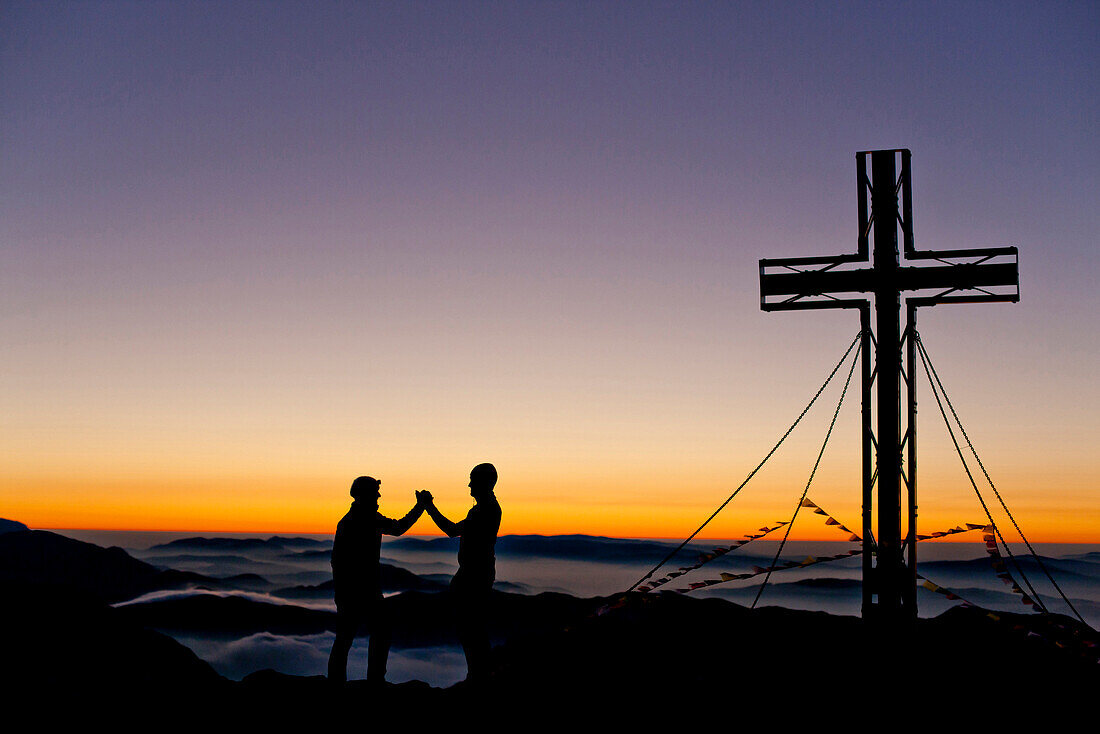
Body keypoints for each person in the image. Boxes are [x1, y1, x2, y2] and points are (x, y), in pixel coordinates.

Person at [327, 475, 426, 684]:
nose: (379, 496)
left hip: (349, 590)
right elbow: (398, 528)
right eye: (375, 492)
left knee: (346, 638)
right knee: (378, 632)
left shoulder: (352, 519)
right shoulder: (367, 518)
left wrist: (341, 590)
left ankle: (337, 682)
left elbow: (336, 560)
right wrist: (420, 507)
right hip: (364, 590)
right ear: (365, 495)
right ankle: (374, 681)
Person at [417, 462, 501, 683]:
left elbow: (452, 530)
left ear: (484, 482)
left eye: (473, 480)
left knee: (471, 630)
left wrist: (428, 507)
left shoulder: (484, 510)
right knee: (473, 629)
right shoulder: (486, 508)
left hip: (474, 577)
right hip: (477, 575)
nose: (469, 484)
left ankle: (477, 677)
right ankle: (478, 675)